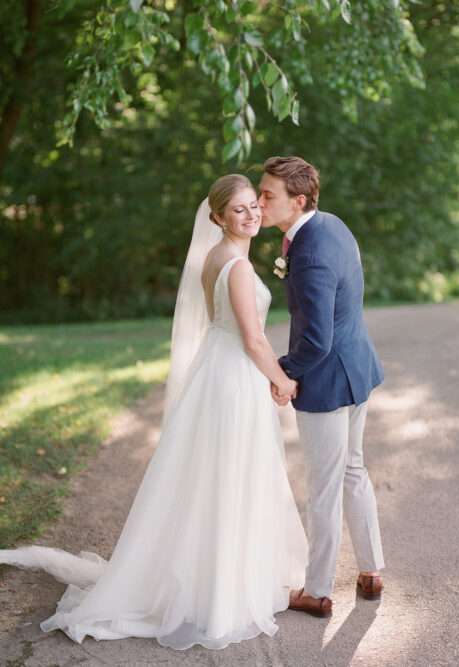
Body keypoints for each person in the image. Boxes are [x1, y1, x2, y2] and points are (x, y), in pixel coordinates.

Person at [0, 174, 308, 650]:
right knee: (232, 476)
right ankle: (220, 595)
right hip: (234, 378)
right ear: (218, 218)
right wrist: (283, 381)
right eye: (239, 210)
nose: (251, 215)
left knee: (216, 477)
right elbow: (254, 339)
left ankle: (213, 580)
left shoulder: (214, 258)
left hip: (217, 373)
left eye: (254, 206)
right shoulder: (240, 268)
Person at [259, 156, 385, 618]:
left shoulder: (308, 253)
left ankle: (316, 590)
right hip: (357, 369)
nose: (259, 201)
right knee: (353, 470)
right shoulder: (331, 225)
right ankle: (371, 571)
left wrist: (286, 372)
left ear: (298, 200)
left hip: (328, 381)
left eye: (268, 195)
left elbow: (315, 339)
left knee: (325, 487)